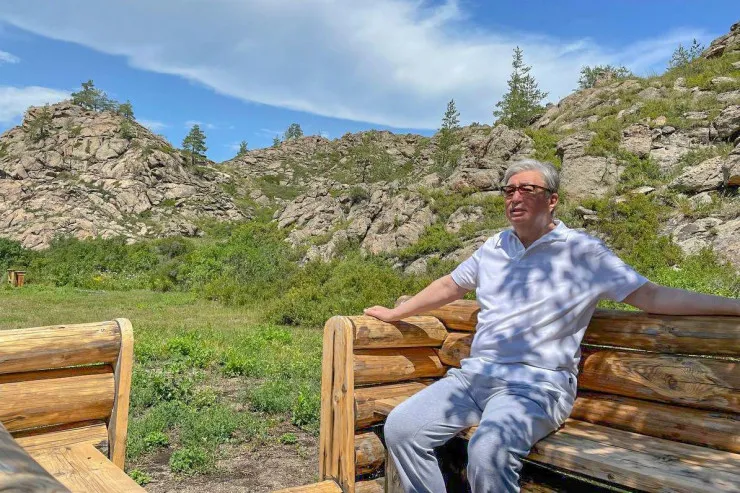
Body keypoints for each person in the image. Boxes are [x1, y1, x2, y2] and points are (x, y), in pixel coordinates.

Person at [363, 159, 740, 493]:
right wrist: (397, 313)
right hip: (474, 378)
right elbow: (451, 285)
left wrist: (734, 307)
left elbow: (651, 296)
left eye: (527, 189)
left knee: (488, 449)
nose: (515, 197)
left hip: (535, 387)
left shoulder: (582, 252)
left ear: (552, 199)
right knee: (402, 428)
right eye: (509, 190)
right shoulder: (495, 246)